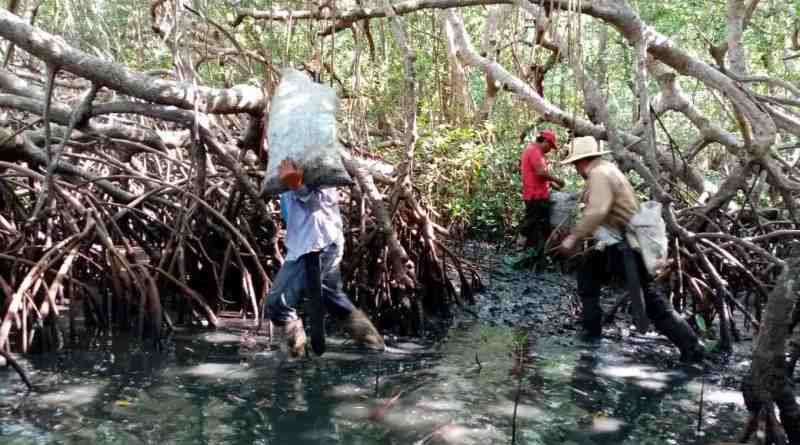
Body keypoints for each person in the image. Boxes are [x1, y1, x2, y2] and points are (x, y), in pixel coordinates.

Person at [556, 136, 704, 362]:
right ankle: (590, 334)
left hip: (628, 246)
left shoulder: (599, 173)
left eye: (575, 165)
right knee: (587, 275)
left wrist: (573, 237)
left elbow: (598, 211)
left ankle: (692, 348)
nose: (576, 170)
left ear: (582, 161)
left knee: (651, 301)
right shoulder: (606, 169)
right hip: (613, 243)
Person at [266, 159, 384, 358]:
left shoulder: (316, 157)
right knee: (332, 299)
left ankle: (295, 358)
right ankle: (374, 346)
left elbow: (318, 204)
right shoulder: (290, 153)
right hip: (316, 241)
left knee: (278, 303)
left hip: (316, 244)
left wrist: (297, 185)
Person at [519, 128, 564, 250]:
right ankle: (528, 252)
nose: (550, 150)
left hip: (537, 195)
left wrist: (552, 185)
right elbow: (540, 173)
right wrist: (557, 180)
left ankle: (533, 253)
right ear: (545, 141)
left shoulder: (534, 150)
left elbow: (538, 176)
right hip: (536, 197)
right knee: (534, 227)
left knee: (538, 227)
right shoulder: (534, 151)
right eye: (550, 146)